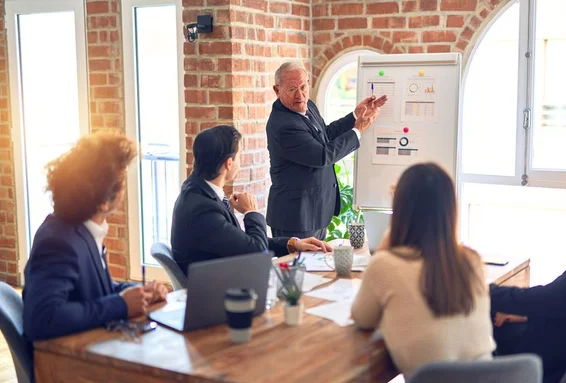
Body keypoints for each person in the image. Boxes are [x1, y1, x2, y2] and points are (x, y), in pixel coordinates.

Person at [351, 163, 496, 378]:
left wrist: (386, 242)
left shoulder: (385, 265)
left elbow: (362, 318)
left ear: (400, 211)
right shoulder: (471, 260)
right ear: (450, 211)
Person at [22, 133, 168, 340]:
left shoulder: (80, 228)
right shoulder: (58, 243)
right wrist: (121, 305)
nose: (125, 189)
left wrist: (139, 292)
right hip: (70, 364)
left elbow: (91, 290)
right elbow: (44, 318)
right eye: (123, 183)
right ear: (104, 202)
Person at [491, 173, 566, 383]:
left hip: (540, 376)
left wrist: (479, 290)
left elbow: (539, 300)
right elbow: (563, 305)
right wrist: (527, 316)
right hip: (562, 362)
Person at [171, 125, 332, 275]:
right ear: (229, 163)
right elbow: (257, 253)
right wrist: (251, 211)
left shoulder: (198, 192)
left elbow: (244, 244)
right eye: (239, 156)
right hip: (219, 293)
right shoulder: (202, 209)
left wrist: (293, 244)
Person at [266, 61, 387, 240]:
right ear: (277, 91)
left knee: (315, 266)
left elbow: (326, 135)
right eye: (292, 89)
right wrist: (357, 130)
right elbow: (322, 156)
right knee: (299, 267)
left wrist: (355, 115)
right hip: (296, 217)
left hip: (316, 211)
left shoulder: (309, 106)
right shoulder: (283, 126)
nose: (300, 95)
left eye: (303, 86)